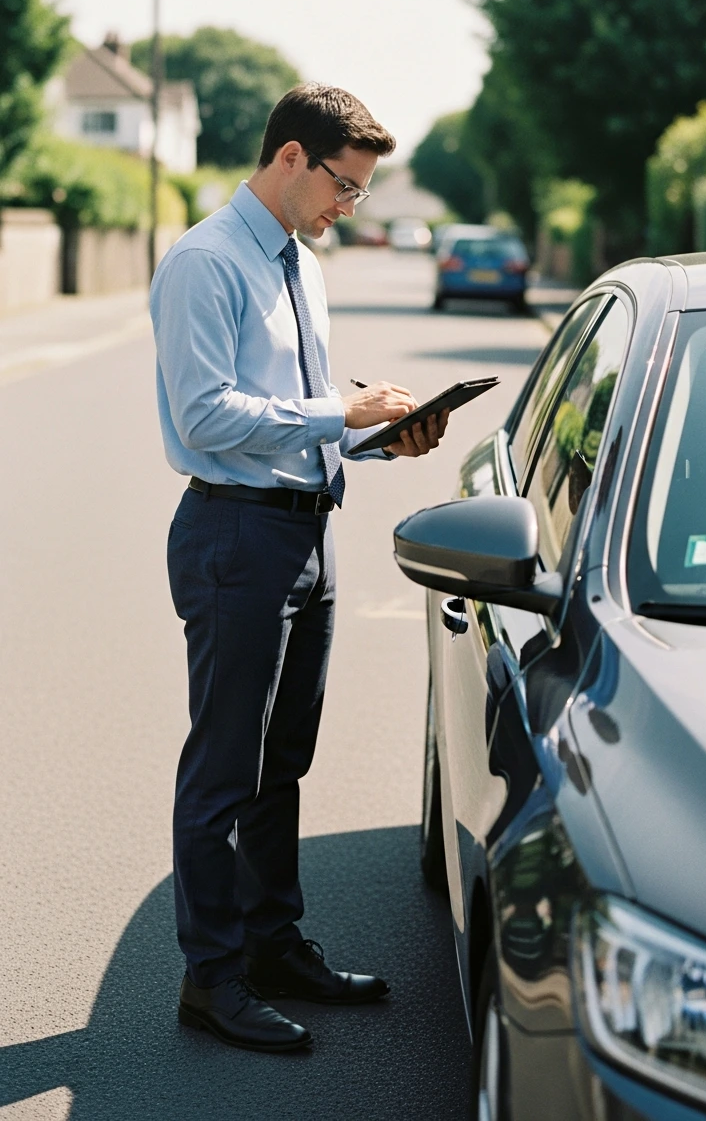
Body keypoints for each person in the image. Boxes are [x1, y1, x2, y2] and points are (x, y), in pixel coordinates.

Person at [150, 83, 449, 1053]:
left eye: (359, 193)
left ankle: (272, 946)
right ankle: (212, 977)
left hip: (304, 532)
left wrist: (377, 440)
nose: (347, 208)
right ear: (290, 156)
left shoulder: (302, 266)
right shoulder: (203, 261)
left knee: (283, 763)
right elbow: (206, 416)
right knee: (223, 772)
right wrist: (339, 416)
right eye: (344, 188)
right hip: (234, 537)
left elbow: (303, 413)